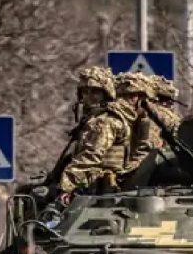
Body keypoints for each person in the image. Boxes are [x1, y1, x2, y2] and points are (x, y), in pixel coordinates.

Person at [58, 72, 155, 201]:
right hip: (95, 189)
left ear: (106, 94)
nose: (89, 97)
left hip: (98, 191)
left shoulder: (106, 121)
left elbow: (91, 155)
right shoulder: (98, 118)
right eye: (85, 92)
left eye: (95, 92)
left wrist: (66, 186)